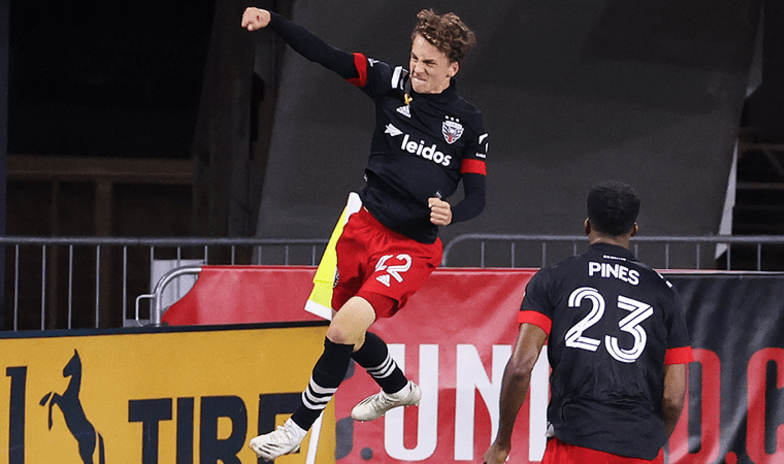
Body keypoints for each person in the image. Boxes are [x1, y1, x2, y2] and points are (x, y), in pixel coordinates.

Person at [241, 6, 488, 461]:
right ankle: (397, 388)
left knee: (343, 327)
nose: (417, 68)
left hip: (411, 247)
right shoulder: (389, 82)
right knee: (347, 335)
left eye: (429, 63)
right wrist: (273, 20)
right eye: (415, 57)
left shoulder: (468, 123)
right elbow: (325, 54)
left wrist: (452, 212)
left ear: (452, 68)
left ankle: (293, 431)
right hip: (361, 229)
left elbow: (477, 195)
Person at [484, 181, 693, 464]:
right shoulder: (664, 293)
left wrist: (502, 442)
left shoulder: (554, 278)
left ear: (586, 225)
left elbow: (521, 367)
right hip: (641, 450)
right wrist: (648, 443)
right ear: (634, 229)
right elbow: (674, 397)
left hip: (576, 443)